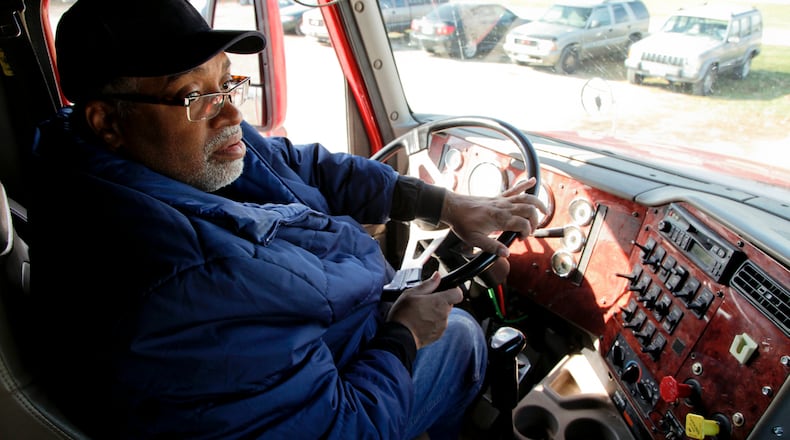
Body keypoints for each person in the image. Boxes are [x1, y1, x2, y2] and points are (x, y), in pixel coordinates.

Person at [29, 0, 545, 438]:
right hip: (324, 387)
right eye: (195, 94)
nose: (232, 114)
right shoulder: (184, 288)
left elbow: (299, 164)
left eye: (228, 83)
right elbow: (341, 429)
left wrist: (445, 204)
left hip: (305, 343)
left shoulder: (157, 150)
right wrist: (404, 334)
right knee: (460, 336)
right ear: (107, 121)